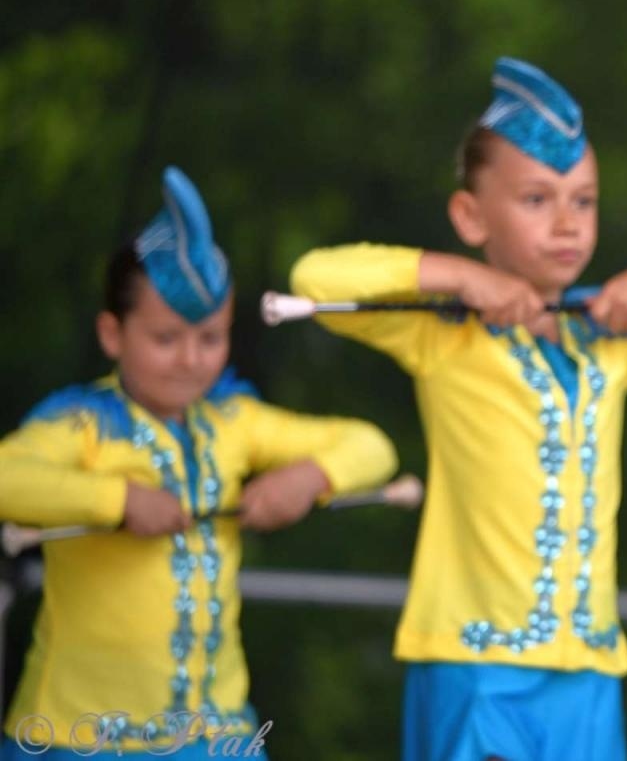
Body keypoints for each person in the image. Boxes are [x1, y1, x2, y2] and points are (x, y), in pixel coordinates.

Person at [288, 57, 627, 761]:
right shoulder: (440, 332)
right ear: (470, 215)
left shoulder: (612, 336)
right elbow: (317, 279)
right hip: (473, 668)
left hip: (588, 671)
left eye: (583, 200)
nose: (566, 223)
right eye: (536, 200)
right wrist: (461, 277)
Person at [0, 167, 398, 759]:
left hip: (216, 737)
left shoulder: (233, 422)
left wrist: (309, 478)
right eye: (165, 338)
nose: (190, 359)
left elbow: (372, 446)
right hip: (74, 736)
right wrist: (118, 500)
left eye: (210, 338)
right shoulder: (82, 425)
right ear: (113, 334)